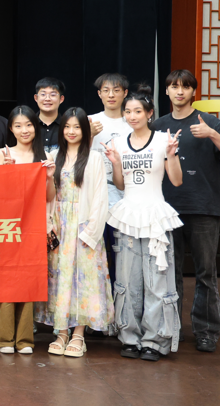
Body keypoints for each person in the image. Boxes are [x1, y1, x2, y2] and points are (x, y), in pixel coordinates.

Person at [153, 70, 220, 353]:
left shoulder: (209, 121)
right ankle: (172, 329)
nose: (179, 91)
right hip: (167, 209)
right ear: (166, 91)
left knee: (205, 273)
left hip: (203, 207)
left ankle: (206, 332)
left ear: (193, 92)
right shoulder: (158, 125)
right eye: (174, 86)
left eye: (185, 87)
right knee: (170, 274)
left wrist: (212, 134)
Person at [103, 84, 183, 362]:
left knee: (156, 281)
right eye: (128, 111)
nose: (132, 116)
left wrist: (172, 154)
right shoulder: (119, 142)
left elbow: (176, 181)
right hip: (128, 216)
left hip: (155, 216)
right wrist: (115, 163)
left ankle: (154, 340)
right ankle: (129, 337)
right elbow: (121, 184)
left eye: (138, 111)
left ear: (150, 113)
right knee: (128, 280)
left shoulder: (163, 140)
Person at [31, 107, 112, 357]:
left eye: (77, 127)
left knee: (83, 280)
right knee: (60, 279)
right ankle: (62, 332)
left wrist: (91, 231)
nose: (71, 131)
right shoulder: (53, 156)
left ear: (85, 130)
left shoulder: (94, 158)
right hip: (59, 226)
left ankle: (78, 334)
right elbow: (49, 196)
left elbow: (100, 198)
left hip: (84, 225)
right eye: (67, 126)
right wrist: (48, 179)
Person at [0, 105, 56, 354]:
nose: (24, 130)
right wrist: (5, 172)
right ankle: (5, 339)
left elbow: (49, 196)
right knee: (5, 281)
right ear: (11, 129)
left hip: (33, 226)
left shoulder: (44, 156)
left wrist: (49, 176)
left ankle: (25, 340)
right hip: (6, 226)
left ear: (35, 127)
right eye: (18, 126)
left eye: (28, 125)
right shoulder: (2, 154)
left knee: (28, 280)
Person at [88, 72, 132, 286]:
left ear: (125, 93)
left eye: (116, 90)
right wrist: (88, 134)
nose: (111, 95)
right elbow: (77, 156)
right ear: (99, 94)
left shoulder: (132, 121)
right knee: (96, 249)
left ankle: (121, 297)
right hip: (95, 193)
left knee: (122, 250)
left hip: (126, 193)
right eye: (106, 90)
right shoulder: (90, 120)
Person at [34, 77, 66, 153]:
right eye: (43, 94)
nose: (47, 99)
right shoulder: (28, 125)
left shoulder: (67, 126)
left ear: (61, 99)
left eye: (53, 95)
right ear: (36, 98)